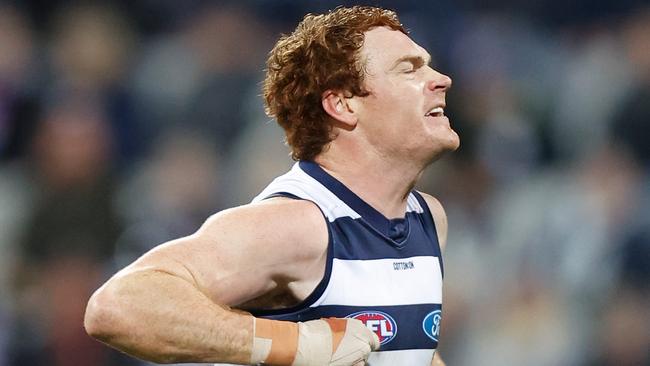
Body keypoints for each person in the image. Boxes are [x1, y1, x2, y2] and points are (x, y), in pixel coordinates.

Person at [84, 6, 458, 366]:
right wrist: (294, 345)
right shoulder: (296, 224)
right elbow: (118, 307)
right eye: (408, 69)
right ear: (343, 104)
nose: (441, 79)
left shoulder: (428, 218)